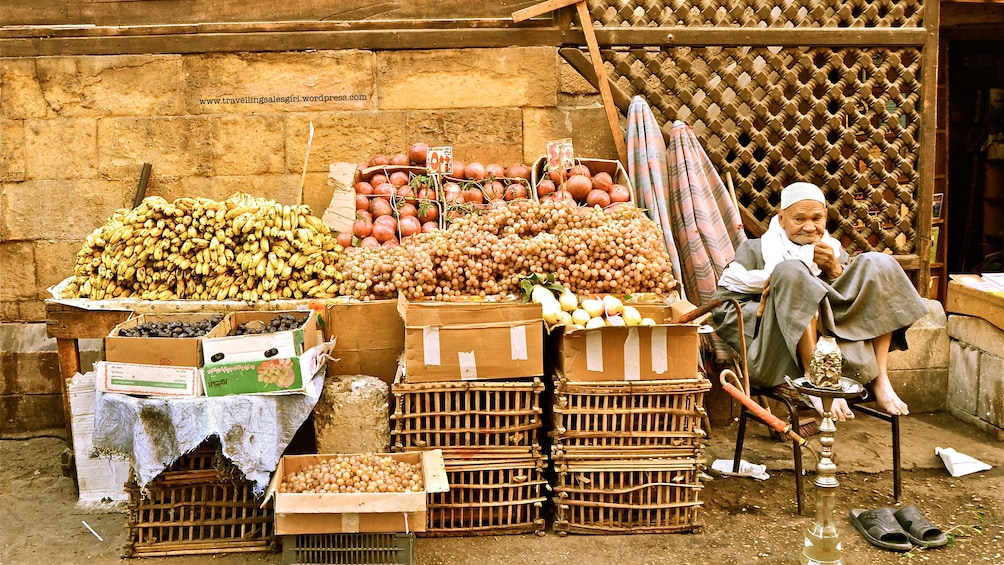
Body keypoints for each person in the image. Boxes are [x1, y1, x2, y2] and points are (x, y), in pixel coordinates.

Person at [711, 182, 929, 422]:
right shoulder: (754, 250)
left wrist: (836, 272)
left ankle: (880, 377)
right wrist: (765, 310)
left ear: (826, 217)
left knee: (880, 262)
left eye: (817, 218)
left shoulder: (833, 250)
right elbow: (725, 312)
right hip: (777, 352)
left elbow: (848, 307)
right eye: (799, 219)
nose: (809, 227)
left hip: (837, 352)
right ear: (781, 219)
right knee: (791, 270)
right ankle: (815, 379)